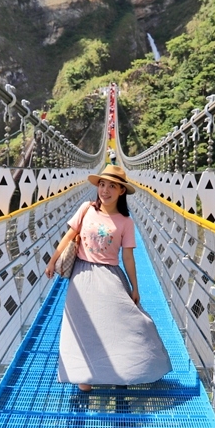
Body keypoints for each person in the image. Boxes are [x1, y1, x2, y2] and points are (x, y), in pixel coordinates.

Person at [44, 164, 172, 391]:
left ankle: (124, 370)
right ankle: (82, 376)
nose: (105, 190)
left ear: (121, 191)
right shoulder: (86, 209)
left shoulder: (125, 222)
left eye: (112, 186)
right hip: (81, 275)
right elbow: (69, 236)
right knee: (82, 326)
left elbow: (129, 258)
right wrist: (53, 260)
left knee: (120, 323)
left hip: (109, 275)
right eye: (102, 184)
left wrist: (135, 287)